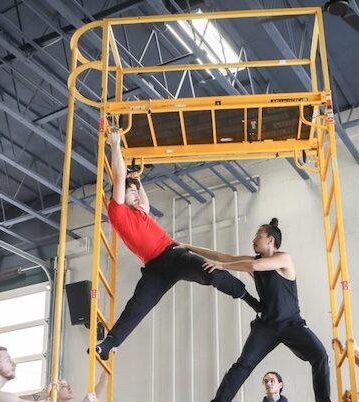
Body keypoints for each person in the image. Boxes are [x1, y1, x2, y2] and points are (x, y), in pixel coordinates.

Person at [92, 129, 261, 360]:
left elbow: (146, 202)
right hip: (155, 269)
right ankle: (108, 343)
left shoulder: (140, 211)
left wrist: (138, 183)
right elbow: (120, 178)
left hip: (173, 255)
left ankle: (250, 300)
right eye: (131, 193)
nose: (137, 196)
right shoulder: (117, 211)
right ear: (120, 195)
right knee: (138, 305)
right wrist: (115, 145)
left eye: (136, 194)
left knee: (209, 271)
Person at [182, 219, 330, 402]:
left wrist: (223, 266)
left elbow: (251, 266)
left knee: (320, 355)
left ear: (270, 240)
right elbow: (221, 256)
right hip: (266, 326)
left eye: (258, 236)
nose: (254, 240)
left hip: (292, 324)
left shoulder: (284, 259)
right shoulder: (252, 261)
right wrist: (187, 246)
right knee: (244, 364)